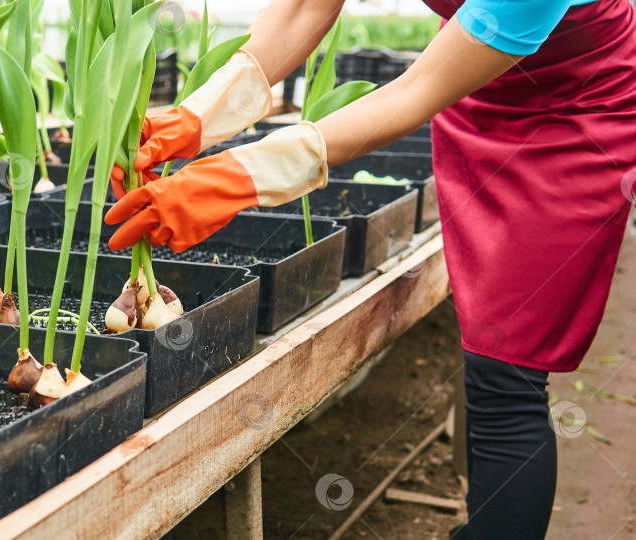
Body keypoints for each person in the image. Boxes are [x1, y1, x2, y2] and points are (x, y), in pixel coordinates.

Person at [106, 0, 636, 537]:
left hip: (575, 113)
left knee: (510, 373)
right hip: (474, 86)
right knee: (487, 353)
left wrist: (241, 178)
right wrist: (200, 115)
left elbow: (413, 93)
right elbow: (306, 7)